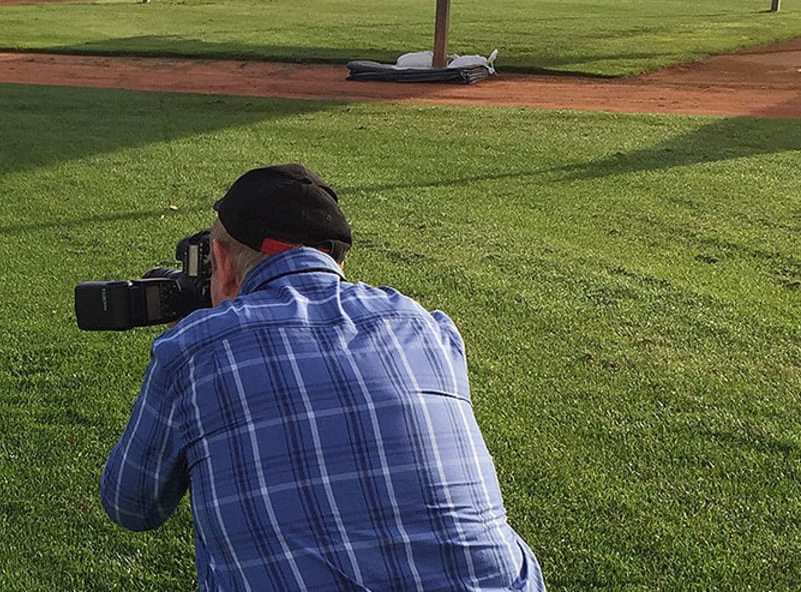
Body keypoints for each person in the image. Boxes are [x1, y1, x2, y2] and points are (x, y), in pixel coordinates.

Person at [100, 164, 544, 591]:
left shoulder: (195, 349)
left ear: (223, 260)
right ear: (335, 259)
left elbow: (130, 505)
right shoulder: (430, 329)